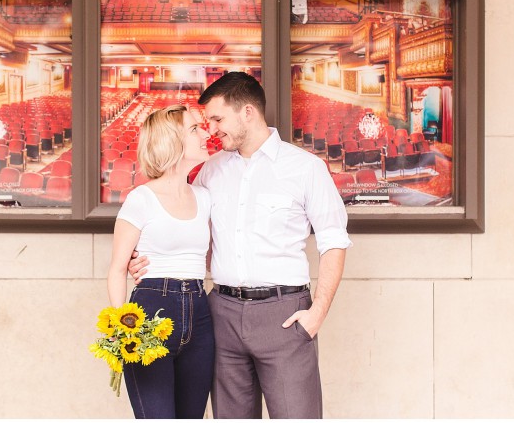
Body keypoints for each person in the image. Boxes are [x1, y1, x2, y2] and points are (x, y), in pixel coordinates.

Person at [129, 72, 352, 419]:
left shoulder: (305, 168)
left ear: (247, 112)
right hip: (221, 316)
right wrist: (147, 261)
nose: (212, 129)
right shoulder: (209, 171)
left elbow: (334, 241)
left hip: (285, 315)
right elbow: (183, 231)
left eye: (218, 119)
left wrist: (316, 314)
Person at [107, 104, 215, 419]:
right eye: (195, 129)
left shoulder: (205, 198)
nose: (205, 133)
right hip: (151, 312)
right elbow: (116, 269)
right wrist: (122, 327)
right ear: (172, 141)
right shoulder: (140, 200)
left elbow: (209, 259)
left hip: (200, 315)